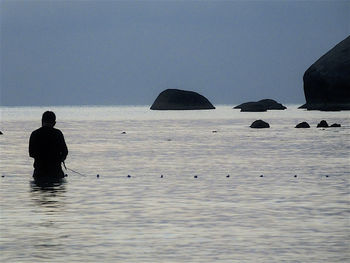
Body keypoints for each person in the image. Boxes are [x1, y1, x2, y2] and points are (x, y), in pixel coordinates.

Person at [29, 111, 68, 182]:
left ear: (42, 121)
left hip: (39, 172)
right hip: (56, 172)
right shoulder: (58, 133)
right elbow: (65, 151)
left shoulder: (35, 134)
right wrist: (61, 158)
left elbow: (31, 153)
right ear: (54, 123)